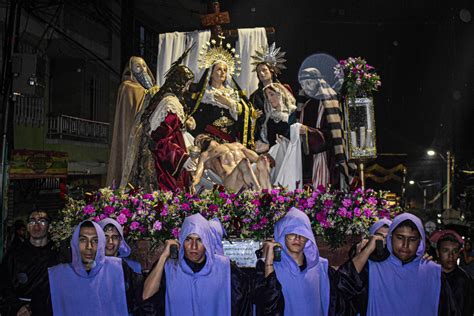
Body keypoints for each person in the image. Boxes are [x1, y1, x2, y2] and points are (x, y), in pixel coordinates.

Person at [336, 213, 458, 315]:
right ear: (390, 238)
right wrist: (366, 251)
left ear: (420, 242)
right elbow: (340, 289)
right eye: (400, 237)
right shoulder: (372, 268)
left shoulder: (433, 273)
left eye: (412, 239)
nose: (405, 245)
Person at [141, 213, 251, 315]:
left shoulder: (225, 269)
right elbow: (146, 297)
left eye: (199, 240)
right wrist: (163, 257)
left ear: (207, 242)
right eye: (188, 239)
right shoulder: (170, 268)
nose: (194, 246)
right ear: (182, 240)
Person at [254, 207, 336, 315]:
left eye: (302, 234)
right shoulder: (271, 268)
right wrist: (268, 262)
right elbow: (265, 305)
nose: (297, 238)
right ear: (283, 235)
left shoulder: (321, 268)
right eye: (292, 233)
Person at [133, 55, 196, 192]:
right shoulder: (170, 104)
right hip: (166, 165)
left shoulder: (168, 101)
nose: (187, 89)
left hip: (169, 162)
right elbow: (160, 140)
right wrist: (182, 158)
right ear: (180, 84)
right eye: (187, 85)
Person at [47, 221, 129, 315]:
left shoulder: (118, 269)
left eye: (95, 240)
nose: (89, 246)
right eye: (83, 240)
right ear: (74, 243)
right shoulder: (57, 275)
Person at [190, 39, 257, 148]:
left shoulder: (232, 94)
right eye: (219, 69)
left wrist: (229, 103)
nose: (222, 73)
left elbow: (246, 111)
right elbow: (196, 116)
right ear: (211, 73)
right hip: (210, 138)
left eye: (225, 70)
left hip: (231, 139)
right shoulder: (205, 94)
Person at [298, 64, 352, 189]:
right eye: (303, 84)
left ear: (317, 81)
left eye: (309, 82)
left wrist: (308, 132)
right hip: (310, 158)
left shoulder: (328, 101)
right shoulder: (307, 105)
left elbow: (333, 133)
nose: (306, 86)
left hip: (328, 157)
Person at [107, 56, 158, 186]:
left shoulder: (154, 90)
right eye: (137, 66)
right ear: (131, 70)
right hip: (133, 135)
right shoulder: (127, 88)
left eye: (144, 66)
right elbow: (129, 116)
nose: (142, 69)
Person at [0, 210, 59, 316]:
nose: (36, 225)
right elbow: (4, 283)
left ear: (49, 227)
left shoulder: (57, 254)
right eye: (32, 221)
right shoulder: (14, 253)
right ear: (27, 227)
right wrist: (17, 306)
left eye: (42, 221)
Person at [192, 134, 273, 192]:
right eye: (197, 142)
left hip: (249, 176)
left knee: (262, 160)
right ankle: (259, 194)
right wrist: (193, 182)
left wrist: (266, 159)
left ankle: (269, 194)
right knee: (244, 163)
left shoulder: (236, 145)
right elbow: (198, 173)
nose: (200, 139)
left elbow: (256, 158)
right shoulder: (206, 155)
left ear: (209, 136)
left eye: (201, 136)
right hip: (232, 182)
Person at [250, 43, 291, 150]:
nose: (262, 74)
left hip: (284, 130)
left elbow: (291, 108)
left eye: (264, 70)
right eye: (259, 72)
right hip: (265, 134)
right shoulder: (254, 96)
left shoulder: (284, 89)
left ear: (271, 71)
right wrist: (254, 116)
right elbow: (251, 117)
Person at [99, 218, 144, 314]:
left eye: (114, 237)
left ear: (120, 241)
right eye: (105, 237)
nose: (110, 241)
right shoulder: (90, 268)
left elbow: (140, 303)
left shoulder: (134, 268)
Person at [434, 231, 473, 316]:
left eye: (455, 251)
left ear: (459, 253)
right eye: (445, 250)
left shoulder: (465, 279)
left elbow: (468, 309)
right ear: (437, 252)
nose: (451, 255)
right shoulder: (430, 276)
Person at [256, 82, 296, 152]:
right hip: (274, 154)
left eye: (271, 94)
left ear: (280, 94)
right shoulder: (270, 118)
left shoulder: (292, 113)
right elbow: (268, 139)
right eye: (267, 96)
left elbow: (293, 137)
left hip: (290, 153)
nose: (269, 99)